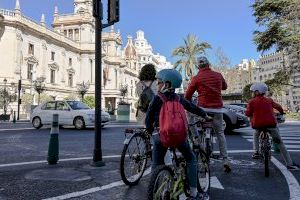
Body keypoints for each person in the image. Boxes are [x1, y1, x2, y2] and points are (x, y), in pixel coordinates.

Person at [145, 69, 210, 200]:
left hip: (160, 136)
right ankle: (194, 193)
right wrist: (205, 115)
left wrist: (149, 130)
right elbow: (193, 108)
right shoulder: (179, 98)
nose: (157, 85)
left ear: (167, 84)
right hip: (179, 137)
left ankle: (155, 189)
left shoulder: (157, 98)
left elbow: (148, 118)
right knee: (190, 158)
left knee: (156, 163)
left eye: (159, 82)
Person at [185, 56, 231, 173]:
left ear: (198, 66)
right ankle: (225, 160)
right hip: (217, 110)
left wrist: (189, 103)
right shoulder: (218, 75)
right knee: (220, 133)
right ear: (208, 64)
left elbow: (188, 96)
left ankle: (196, 138)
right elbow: (225, 87)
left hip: (203, 110)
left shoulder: (196, 78)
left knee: (189, 116)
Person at [245, 82, 299, 170]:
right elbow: (278, 107)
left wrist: (251, 114)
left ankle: (256, 152)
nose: (252, 93)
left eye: (253, 91)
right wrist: (281, 112)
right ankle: (290, 164)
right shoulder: (269, 100)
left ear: (257, 92)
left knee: (255, 135)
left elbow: (247, 113)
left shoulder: (251, 102)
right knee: (280, 143)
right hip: (271, 125)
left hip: (258, 125)